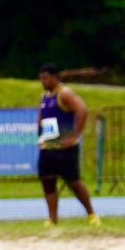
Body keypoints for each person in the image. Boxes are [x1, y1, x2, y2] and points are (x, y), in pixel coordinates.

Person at [37, 63, 100, 226]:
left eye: (45, 78)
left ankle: (91, 214)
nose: (42, 81)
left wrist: (75, 136)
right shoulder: (45, 96)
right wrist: (40, 134)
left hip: (65, 149)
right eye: (41, 78)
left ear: (54, 77)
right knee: (47, 181)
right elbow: (42, 116)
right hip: (48, 147)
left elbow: (82, 110)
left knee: (74, 182)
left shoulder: (64, 93)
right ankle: (52, 218)